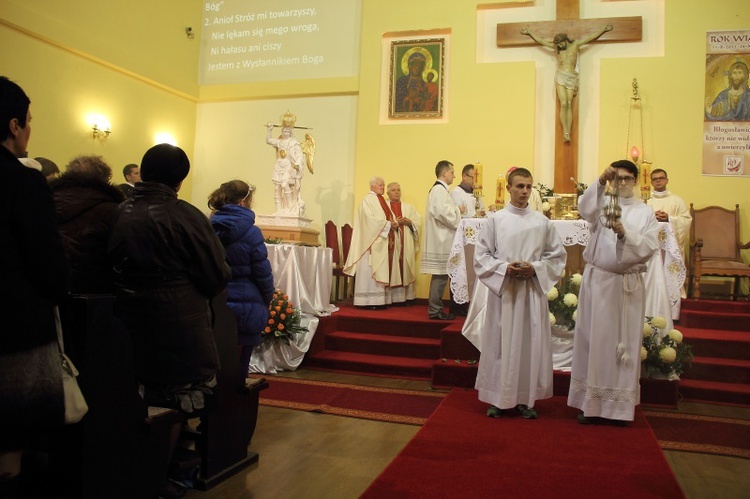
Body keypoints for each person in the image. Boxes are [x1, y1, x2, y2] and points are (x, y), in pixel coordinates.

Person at [108, 143, 230, 498]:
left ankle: (136, 475)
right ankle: (157, 479)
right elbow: (215, 273)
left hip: (127, 318)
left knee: (139, 397)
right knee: (176, 400)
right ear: (180, 179)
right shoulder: (185, 215)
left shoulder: (119, 211)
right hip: (178, 320)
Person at [0, 76, 69, 498]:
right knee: (8, 445)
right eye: (29, 120)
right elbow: (49, 265)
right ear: (13, 125)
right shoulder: (22, 181)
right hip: (13, 335)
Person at [567, 159, 659, 426]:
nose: (621, 183)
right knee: (593, 341)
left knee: (622, 346)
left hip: (625, 287)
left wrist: (624, 235)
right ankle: (590, 403)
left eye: (626, 178)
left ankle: (618, 408)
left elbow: (650, 245)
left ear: (636, 180)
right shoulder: (603, 203)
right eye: (616, 178)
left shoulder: (645, 213)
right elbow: (584, 208)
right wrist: (599, 179)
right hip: (598, 282)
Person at [474, 167, 567, 419]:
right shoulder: (495, 220)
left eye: (528, 186)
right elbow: (481, 257)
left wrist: (534, 268)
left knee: (528, 343)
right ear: (509, 188)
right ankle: (498, 398)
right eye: (519, 186)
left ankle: (526, 399)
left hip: (530, 293)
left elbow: (557, 257)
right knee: (502, 344)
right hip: (505, 293)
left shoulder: (542, 222)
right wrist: (505, 269)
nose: (524, 191)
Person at [208, 180, 275, 377]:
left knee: (215, 364)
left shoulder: (206, 227)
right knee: (239, 366)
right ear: (245, 202)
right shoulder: (251, 232)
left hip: (215, 301)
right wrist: (266, 299)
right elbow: (262, 273)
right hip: (246, 302)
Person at [521, 24, 614, 142]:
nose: (559, 46)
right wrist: (529, 32)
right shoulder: (557, 49)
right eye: (557, 44)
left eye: (560, 43)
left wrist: (603, 29)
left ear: (565, 40)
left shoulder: (575, 45)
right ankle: (565, 130)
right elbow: (541, 41)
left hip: (571, 77)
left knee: (569, 103)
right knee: (563, 103)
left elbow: (591, 38)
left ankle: (567, 132)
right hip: (560, 75)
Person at [50, 155, 124, 294]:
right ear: (104, 180)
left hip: (51, 285)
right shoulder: (110, 209)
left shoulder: (44, 201)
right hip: (97, 289)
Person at [343, 177, 401, 308]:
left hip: (381, 242)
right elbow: (369, 221)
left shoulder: (382, 201)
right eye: (380, 185)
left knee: (379, 268)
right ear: (372, 186)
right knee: (369, 271)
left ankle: (379, 301)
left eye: (383, 185)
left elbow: (389, 217)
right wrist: (387, 224)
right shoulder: (367, 200)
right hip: (370, 244)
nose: (383, 187)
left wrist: (394, 223)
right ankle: (366, 301)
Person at [421, 160, 465, 320]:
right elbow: (442, 213)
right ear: (444, 173)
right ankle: (435, 310)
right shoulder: (439, 190)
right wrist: (458, 210)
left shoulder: (441, 190)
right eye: (452, 172)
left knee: (441, 275)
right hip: (440, 239)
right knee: (440, 276)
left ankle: (436, 308)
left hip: (442, 238)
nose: (454, 175)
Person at [646, 168, 692, 297]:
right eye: (655, 179)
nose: (658, 180)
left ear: (667, 180)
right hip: (651, 245)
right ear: (651, 182)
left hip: (670, 247)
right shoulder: (645, 201)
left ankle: (673, 294)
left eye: (661, 178)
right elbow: (637, 220)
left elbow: (686, 220)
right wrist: (651, 216)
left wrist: (669, 219)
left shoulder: (677, 201)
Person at [266, 111, 309, 215]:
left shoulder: (294, 143)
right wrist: (269, 130)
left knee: (285, 184)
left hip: (288, 166)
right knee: (277, 187)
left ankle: (289, 207)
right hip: (279, 165)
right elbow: (268, 140)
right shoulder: (279, 142)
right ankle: (279, 209)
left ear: (291, 132)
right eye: (284, 131)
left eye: (287, 131)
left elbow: (299, 155)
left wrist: (297, 164)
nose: (285, 133)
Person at [387, 182, 421, 304]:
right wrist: (394, 223)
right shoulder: (384, 207)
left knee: (405, 267)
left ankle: (405, 297)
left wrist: (409, 222)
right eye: (393, 190)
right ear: (388, 193)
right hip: (391, 242)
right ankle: (391, 298)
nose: (396, 192)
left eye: (398, 190)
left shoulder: (408, 207)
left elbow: (418, 222)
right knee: (392, 267)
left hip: (406, 242)